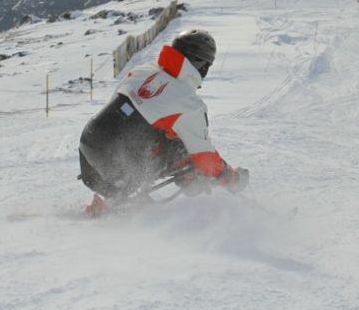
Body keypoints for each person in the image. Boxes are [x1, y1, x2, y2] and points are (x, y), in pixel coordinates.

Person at [78, 28, 248, 214]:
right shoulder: (190, 103)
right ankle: (126, 205)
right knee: (186, 148)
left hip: (88, 149)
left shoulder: (142, 71)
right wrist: (230, 176)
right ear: (202, 65)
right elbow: (205, 158)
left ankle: (115, 200)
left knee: (162, 134)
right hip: (119, 167)